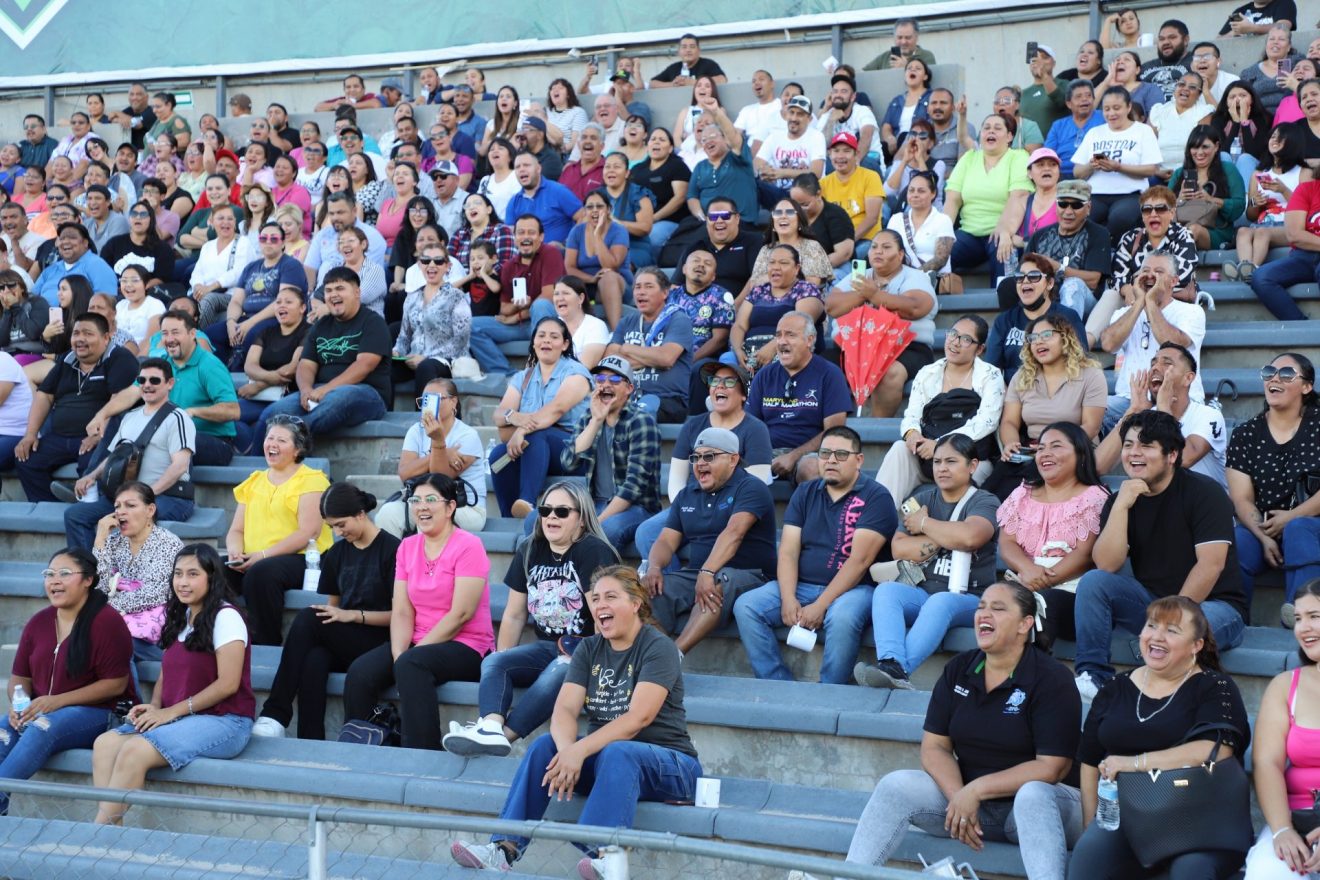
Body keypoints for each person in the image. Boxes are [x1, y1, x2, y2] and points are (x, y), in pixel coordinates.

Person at [801, 583, 1081, 880]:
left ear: (1025, 624)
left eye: (998, 609)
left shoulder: (1052, 678)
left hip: (1043, 810)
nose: (984, 614)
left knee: (1032, 794)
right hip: (974, 808)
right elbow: (935, 747)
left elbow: (1051, 768)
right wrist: (959, 797)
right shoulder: (959, 668)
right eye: (981, 607)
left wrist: (975, 790)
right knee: (896, 785)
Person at [449, 565, 699, 880]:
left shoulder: (657, 647)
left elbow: (639, 717)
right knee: (545, 746)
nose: (600, 605)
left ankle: (610, 858)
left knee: (619, 751)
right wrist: (568, 751)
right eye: (595, 598)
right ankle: (503, 848)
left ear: (636, 603)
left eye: (611, 597)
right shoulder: (589, 648)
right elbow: (565, 710)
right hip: (611, 764)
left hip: (673, 767)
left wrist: (579, 752)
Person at [1070, 596, 1251, 880]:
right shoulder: (1116, 687)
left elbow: (1214, 750)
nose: (1157, 636)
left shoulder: (1215, 686)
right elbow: (1090, 760)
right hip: (1130, 818)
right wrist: (1092, 825)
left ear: (1196, 645)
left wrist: (1133, 763)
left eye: (1172, 630)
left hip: (1203, 823)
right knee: (1088, 857)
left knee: (1190, 871)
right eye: (1152, 625)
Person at [1072, 411, 1247, 699]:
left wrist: (1166, 622)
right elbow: (1107, 564)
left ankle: (1158, 687)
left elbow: (1211, 564)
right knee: (1094, 582)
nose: (1134, 453)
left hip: (1215, 605)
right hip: (1151, 602)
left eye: (1146, 446)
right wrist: (1121, 507)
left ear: (1172, 455)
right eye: (1128, 445)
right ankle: (1093, 675)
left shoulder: (1205, 493)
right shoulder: (1121, 499)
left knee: (1183, 630)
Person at [443, 481, 618, 757]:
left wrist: (599, 663)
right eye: (545, 510)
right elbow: (514, 615)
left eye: (562, 512)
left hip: (587, 648)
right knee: (494, 661)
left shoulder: (593, 551)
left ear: (582, 519)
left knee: (559, 671)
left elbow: (603, 614)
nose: (551, 517)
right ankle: (490, 726)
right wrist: (505, 657)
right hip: (547, 647)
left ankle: (504, 738)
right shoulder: (530, 549)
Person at [91, 544, 254, 825]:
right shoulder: (182, 615)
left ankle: (97, 834)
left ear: (212, 578)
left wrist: (169, 712)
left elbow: (228, 684)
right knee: (105, 743)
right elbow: (167, 672)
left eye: (193, 574)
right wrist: (155, 706)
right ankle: (112, 832)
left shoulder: (226, 616)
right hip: (182, 717)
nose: (183, 582)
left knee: (134, 750)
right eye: (178, 574)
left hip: (226, 720)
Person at [734, 426, 896, 684]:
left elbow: (859, 561)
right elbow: (788, 551)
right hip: (802, 585)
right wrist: (788, 598)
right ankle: (776, 683)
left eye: (841, 454)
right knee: (746, 605)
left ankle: (830, 690)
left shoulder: (877, 497)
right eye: (825, 453)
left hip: (854, 590)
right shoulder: (805, 492)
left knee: (842, 617)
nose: (831, 460)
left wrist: (821, 605)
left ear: (859, 460)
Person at [341, 473, 490, 751]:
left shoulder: (469, 545)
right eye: (416, 500)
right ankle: (360, 750)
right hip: (417, 641)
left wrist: (410, 656)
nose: (422, 507)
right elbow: (401, 610)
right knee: (360, 673)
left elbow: (461, 614)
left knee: (412, 665)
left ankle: (422, 755)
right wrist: (399, 653)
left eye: (431, 499)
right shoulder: (407, 547)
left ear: (450, 507)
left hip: (466, 644)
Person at [249, 483, 397, 741]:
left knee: (308, 617)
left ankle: (275, 713)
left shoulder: (394, 550)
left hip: (382, 640)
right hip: (349, 638)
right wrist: (342, 616)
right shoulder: (337, 553)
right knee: (314, 658)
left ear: (360, 514)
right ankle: (310, 741)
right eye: (332, 528)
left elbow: (402, 616)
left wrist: (354, 615)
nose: (338, 532)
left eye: (341, 525)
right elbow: (332, 608)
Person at [857, 434, 1003, 689]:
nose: (942, 468)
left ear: (972, 465)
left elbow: (971, 537)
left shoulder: (985, 501)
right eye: (937, 462)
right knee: (887, 591)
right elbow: (899, 548)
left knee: (941, 601)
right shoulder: (921, 500)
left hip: (971, 598)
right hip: (923, 592)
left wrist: (924, 524)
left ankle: (899, 671)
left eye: (951, 461)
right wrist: (949, 536)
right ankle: (890, 662)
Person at [1, 547, 127, 819]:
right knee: (3, 731)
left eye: (65, 574)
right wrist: (20, 705)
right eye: (49, 574)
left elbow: (115, 684)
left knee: (42, 727)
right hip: (43, 711)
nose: (54, 581)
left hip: (98, 714)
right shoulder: (39, 622)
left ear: (88, 580)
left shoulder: (107, 622)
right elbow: (19, 677)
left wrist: (56, 702)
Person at [644, 426, 776, 654]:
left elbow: (734, 533)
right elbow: (666, 540)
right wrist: (654, 567)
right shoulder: (687, 494)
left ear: (733, 459)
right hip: (699, 573)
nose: (700, 463)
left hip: (751, 575)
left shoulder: (751, 487)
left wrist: (707, 572)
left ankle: (675, 655)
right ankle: (662, 656)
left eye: (709, 456)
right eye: (696, 457)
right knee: (643, 594)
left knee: (717, 583)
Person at [64, 357, 196, 547]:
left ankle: (118, 566)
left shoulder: (178, 418)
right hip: (130, 497)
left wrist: (146, 495)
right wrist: (91, 476)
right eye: (142, 380)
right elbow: (115, 456)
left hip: (169, 497)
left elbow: (180, 466)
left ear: (170, 383)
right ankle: (88, 565)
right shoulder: (130, 417)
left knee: (130, 518)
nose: (147, 385)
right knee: (75, 515)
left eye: (154, 380)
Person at [223, 415, 332, 646]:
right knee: (211, 569)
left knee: (261, 573)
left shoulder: (313, 480)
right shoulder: (255, 480)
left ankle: (265, 643)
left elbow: (308, 533)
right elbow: (236, 530)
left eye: (281, 440)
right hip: (255, 558)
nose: (272, 444)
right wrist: (235, 553)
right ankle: (219, 638)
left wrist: (262, 555)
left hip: (303, 558)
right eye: (269, 438)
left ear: (297, 449)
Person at [998, 421, 1109, 644]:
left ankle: (1033, 665)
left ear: (1081, 454)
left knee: (1043, 603)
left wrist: (1040, 581)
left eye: (1056, 446)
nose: (1045, 453)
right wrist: (1028, 569)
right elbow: (1007, 542)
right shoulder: (1023, 493)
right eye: (1041, 448)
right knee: (996, 603)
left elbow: (1085, 555)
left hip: (1075, 593)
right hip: (1026, 581)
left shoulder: (1095, 497)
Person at [1227, 353, 1320, 620]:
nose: (1275, 379)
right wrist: (1263, 537)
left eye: (1287, 374)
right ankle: (1231, 618)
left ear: (1306, 386)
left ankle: (1302, 615)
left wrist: (1290, 518)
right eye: (1269, 373)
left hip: (1312, 525)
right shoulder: (1245, 434)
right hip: (1265, 527)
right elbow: (1242, 499)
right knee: (1237, 542)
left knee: (1298, 529)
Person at [877, 315, 1003, 504]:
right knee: (899, 449)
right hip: (926, 457)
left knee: (966, 469)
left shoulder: (990, 375)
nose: (955, 342)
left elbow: (987, 422)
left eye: (966, 339)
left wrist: (939, 446)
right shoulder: (927, 373)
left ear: (980, 349)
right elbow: (912, 415)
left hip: (968, 458)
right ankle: (878, 516)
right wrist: (912, 434)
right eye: (953, 334)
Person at [254, 267, 391, 440]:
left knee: (340, 399)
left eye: (340, 288)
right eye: (328, 290)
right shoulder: (321, 325)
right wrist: (305, 390)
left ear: (357, 292)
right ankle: (262, 457)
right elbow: (306, 364)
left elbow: (364, 365)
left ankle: (293, 441)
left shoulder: (373, 322)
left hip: (366, 392)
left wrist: (327, 389)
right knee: (271, 414)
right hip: (320, 390)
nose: (333, 295)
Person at [15, 312, 138, 502]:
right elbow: (44, 395)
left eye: (88, 334)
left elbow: (119, 400)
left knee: (92, 463)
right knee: (26, 459)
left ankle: (87, 504)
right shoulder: (67, 359)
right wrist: (30, 434)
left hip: (96, 438)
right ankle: (48, 505)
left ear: (106, 338)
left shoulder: (120, 358)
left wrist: (100, 435)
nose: (80, 339)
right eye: (76, 333)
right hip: (59, 436)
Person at [1244, 579, 1320, 878]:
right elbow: (1267, 763)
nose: (1303, 628)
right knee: (1267, 872)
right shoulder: (1286, 685)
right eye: (1298, 618)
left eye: (1314, 616)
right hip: (1297, 820)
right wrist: (1281, 829)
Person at [984, 316, 1106, 500]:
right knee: (988, 493)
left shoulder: (1091, 374)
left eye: (1046, 335)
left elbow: (1091, 426)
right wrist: (1011, 444)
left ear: (1065, 338)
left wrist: (1052, 448)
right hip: (1030, 451)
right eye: (1033, 338)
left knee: (1017, 490)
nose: (1038, 341)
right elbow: (1009, 421)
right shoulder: (1023, 376)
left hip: (1074, 450)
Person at [489, 315, 593, 519]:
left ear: (565, 344)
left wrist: (521, 428)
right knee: (498, 456)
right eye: (541, 335)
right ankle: (509, 517)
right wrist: (512, 416)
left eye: (554, 337)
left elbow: (556, 410)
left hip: (574, 452)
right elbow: (499, 416)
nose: (546, 340)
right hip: (535, 449)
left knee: (538, 434)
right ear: (534, 341)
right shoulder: (523, 377)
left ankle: (527, 501)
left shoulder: (576, 373)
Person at [827, 230, 938, 417]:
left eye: (886, 247)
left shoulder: (913, 276)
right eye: (874, 247)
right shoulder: (860, 277)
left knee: (890, 372)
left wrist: (875, 295)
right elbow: (831, 306)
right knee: (822, 368)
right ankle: (836, 426)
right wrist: (864, 294)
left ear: (900, 254)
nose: (878, 251)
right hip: (854, 347)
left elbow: (916, 307)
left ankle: (875, 426)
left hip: (906, 348)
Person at [559, 355, 662, 549]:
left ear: (629, 388)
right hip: (595, 503)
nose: (605, 384)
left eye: (614, 379)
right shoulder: (589, 417)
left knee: (604, 530)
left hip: (635, 508)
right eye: (600, 379)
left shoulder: (641, 421)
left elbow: (633, 488)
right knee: (539, 519)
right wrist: (596, 421)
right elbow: (568, 463)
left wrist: (594, 523)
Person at [1098, 252, 1206, 431]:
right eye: (1145, 271)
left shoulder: (1191, 312)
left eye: (1159, 272)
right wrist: (1139, 302)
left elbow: (1172, 344)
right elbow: (1108, 344)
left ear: (1173, 281)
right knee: (1091, 410)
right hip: (1129, 400)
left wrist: (1151, 303)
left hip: (1176, 399)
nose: (1150, 276)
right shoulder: (1124, 313)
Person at [1098, 342, 1228, 488]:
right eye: (1153, 364)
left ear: (1188, 378)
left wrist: (1164, 409)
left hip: (1202, 500)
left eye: (1167, 363)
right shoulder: (1145, 415)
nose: (1155, 368)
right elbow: (1099, 465)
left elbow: (1184, 459)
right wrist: (1134, 410)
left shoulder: (1208, 415)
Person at [91, 482, 185, 682]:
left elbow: (154, 593)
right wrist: (100, 540)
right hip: (118, 621)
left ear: (150, 510)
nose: (121, 512)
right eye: (117, 506)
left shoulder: (168, 543)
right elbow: (99, 587)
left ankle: (128, 700)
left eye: (130, 505)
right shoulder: (113, 541)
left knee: (116, 642)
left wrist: (104, 608)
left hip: (157, 631)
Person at [746, 311, 851, 484]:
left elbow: (834, 432)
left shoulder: (830, 374)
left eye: (790, 335)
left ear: (810, 340)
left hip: (809, 454)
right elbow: (749, 426)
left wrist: (793, 456)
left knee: (811, 467)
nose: (782, 341)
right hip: (766, 452)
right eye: (778, 335)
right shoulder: (764, 375)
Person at [205, 221, 307, 366]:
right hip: (246, 318)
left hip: (275, 319)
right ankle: (221, 372)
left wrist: (250, 323)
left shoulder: (290, 265)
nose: (268, 242)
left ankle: (242, 371)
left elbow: (283, 303)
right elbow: (236, 301)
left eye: (274, 239)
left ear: (283, 243)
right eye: (263, 238)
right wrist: (231, 322)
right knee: (209, 335)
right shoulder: (250, 267)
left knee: (253, 335)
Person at [1072, 87, 1163, 242]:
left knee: (1120, 217)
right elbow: (1077, 172)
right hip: (1096, 194)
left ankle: (1111, 250)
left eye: (1116, 108)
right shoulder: (1094, 133)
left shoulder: (1143, 131)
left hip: (1130, 194)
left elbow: (1151, 169)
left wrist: (1118, 167)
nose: (1111, 113)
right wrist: (1092, 165)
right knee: (1082, 216)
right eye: (1106, 109)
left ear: (1128, 107)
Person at [943, 115, 1030, 277]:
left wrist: (1006, 230)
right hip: (969, 233)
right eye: (986, 128)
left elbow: (1018, 197)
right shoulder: (969, 158)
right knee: (941, 255)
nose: (991, 131)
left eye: (997, 128)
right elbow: (952, 200)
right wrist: (943, 234)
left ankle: (1003, 294)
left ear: (1009, 136)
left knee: (1006, 254)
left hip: (1003, 232)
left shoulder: (1019, 157)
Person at [605, 268, 694, 423]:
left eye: (648, 286)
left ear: (665, 293)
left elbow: (666, 358)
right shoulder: (627, 322)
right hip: (627, 396)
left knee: (639, 413)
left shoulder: (678, 320)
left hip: (667, 400)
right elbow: (610, 361)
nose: (641, 292)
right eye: (637, 287)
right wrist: (652, 357)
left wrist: (627, 348)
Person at [728, 243, 825, 375]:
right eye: (772, 262)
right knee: (727, 359)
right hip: (749, 353)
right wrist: (738, 351)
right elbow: (739, 325)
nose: (776, 267)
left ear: (796, 268)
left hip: (787, 352)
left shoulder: (806, 290)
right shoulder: (758, 291)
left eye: (783, 263)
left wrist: (773, 347)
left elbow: (800, 324)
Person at [1231, 109, 1306, 270]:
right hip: (1262, 223)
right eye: (1273, 136)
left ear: (1293, 142)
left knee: (1262, 232)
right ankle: (1245, 268)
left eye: (1281, 137)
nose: (1274, 140)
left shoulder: (1303, 172)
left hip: (1291, 226)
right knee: (1243, 231)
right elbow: (1251, 216)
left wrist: (1284, 190)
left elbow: (1308, 210)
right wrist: (1255, 203)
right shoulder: (1258, 174)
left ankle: (1253, 269)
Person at [1250, 178, 1320, 322]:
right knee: (1261, 277)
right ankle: (1300, 327)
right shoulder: (1307, 189)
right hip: (1303, 256)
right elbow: (1294, 234)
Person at [1168, 126, 1246, 251]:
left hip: (1216, 231)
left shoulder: (1228, 170)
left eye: (1205, 147)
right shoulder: (1179, 174)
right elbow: (1164, 209)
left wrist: (1211, 200)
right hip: (1180, 227)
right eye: (1195, 147)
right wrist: (1179, 199)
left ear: (1216, 147)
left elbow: (1239, 206)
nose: (1199, 152)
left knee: (1193, 230)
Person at [565, 189, 634, 331]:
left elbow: (611, 266)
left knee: (608, 276)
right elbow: (569, 267)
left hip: (617, 284)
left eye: (600, 206)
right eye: (590, 207)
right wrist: (591, 279)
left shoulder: (619, 230)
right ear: (585, 211)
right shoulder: (577, 232)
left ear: (608, 210)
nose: (595, 210)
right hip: (588, 285)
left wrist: (597, 235)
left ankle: (616, 333)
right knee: (564, 285)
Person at [686, 109, 758, 224]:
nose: (708, 142)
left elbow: (734, 138)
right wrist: (702, 217)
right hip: (708, 224)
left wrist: (717, 112)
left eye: (713, 137)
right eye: (704, 140)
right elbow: (692, 196)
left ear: (725, 139)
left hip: (740, 223)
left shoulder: (739, 157)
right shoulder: (700, 167)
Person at [748, 199, 834, 291]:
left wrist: (772, 278)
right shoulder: (766, 249)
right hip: (768, 299)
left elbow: (812, 284)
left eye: (790, 212)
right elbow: (754, 285)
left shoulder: (812, 247)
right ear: (773, 223)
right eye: (778, 213)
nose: (783, 216)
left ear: (799, 220)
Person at [820, 132, 885, 253]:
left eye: (846, 151)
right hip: (835, 242)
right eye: (836, 151)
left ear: (856, 154)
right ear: (830, 154)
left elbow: (872, 218)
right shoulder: (823, 183)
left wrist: (848, 242)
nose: (840, 156)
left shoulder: (870, 177)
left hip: (864, 239)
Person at [631, 127, 691, 254]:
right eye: (653, 139)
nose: (656, 142)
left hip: (669, 221)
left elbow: (680, 197)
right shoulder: (637, 169)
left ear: (670, 148)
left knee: (652, 237)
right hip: (639, 220)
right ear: (647, 146)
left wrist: (654, 218)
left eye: (662, 140)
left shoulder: (677, 166)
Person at [755, 95, 826, 200]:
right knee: (751, 182)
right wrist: (764, 172)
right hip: (779, 193)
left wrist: (782, 173)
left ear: (809, 119)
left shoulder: (816, 136)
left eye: (800, 114)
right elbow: (756, 163)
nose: (794, 118)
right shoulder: (775, 136)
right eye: (791, 112)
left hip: (807, 193)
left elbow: (816, 173)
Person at [505, 152, 582, 247]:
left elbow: (583, 217)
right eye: (517, 167)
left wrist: (567, 244)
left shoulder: (558, 191)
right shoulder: (513, 202)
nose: (521, 169)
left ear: (538, 169)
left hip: (558, 253)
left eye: (526, 165)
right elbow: (510, 237)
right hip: (527, 253)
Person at [1150, 74, 1215, 173]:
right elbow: (1147, 145)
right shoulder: (1159, 111)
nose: (1185, 89)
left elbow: (1201, 147)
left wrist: (1180, 174)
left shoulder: (1204, 112)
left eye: (1192, 87)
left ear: (1199, 94)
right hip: (1158, 171)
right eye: (1181, 84)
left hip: (1190, 171)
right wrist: (1156, 171)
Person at [816, 76, 881, 173]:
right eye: (835, 91)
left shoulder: (862, 111)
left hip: (865, 162)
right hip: (838, 165)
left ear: (853, 97)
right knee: (824, 163)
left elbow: (866, 137)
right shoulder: (827, 116)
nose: (838, 95)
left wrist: (855, 162)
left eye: (844, 91)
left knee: (865, 163)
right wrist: (831, 121)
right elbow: (820, 148)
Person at [1240, 25, 1301, 116]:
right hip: (1260, 118)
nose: (1275, 42)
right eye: (1271, 39)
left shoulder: (1299, 66)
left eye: (1281, 39)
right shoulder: (1249, 73)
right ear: (1266, 45)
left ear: (1289, 46)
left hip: (1291, 117)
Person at [552, 275, 610, 369]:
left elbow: (584, 368)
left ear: (580, 298)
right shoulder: (550, 326)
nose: (560, 298)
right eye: (556, 294)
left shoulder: (595, 326)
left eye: (566, 293)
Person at [880, 59, 934, 158]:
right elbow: (886, 126)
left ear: (925, 76)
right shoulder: (897, 100)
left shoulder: (932, 97)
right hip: (896, 145)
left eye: (918, 68)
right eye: (909, 68)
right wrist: (889, 138)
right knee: (879, 149)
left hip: (918, 143)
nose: (913, 70)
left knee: (904, 136)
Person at [1138, 19, 1193, 102]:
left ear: (1185, 40)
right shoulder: (1146, 67)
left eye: (1172, 37)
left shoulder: (1196, 63)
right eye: (1161, 39)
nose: (1166, 42)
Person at [649, 33, 727, 87]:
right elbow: (652, 83)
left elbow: (722, 80)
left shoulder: (708, 64)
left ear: (699, 50)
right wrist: (673, 84)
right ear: (679, 52)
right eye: (684, 47)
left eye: (692, 47)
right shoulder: (673, 68)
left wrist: (695, 82)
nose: (688, 50)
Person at [863, 17, 937, 70]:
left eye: (908, 37)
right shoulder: (885, 57)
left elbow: (929, 80)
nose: (903, 42)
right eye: (899, 37)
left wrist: (906, 68)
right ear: (894, 38)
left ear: (916, 37)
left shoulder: (926, 56)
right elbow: (862, 74)